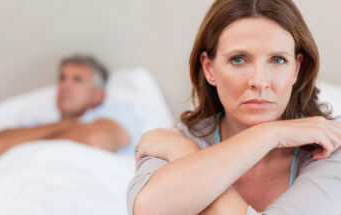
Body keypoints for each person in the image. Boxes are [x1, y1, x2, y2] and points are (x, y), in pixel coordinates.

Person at [127, 0, 341, 214]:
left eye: (277, 60)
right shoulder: (178, 137)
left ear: (296, 69)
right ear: (209, 69)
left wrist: (184, 154)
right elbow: (146, 209)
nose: (259, 81)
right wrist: (271, 134)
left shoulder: (330, 143)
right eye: (238, 59)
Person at [0, 55, 142, 156]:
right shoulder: (39, 123)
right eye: (62, 78)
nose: (65, 86)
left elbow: (96, 139)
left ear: (98, 95)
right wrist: (65, 125)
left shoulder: (116, 114)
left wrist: (25, 144)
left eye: (77, 79)